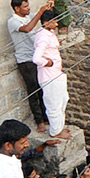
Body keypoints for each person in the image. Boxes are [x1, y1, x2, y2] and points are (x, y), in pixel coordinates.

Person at [7, 0, 51, 133]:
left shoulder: (28, 16)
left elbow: (40, 18)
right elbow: (27, 28)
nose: (28, 8)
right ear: (17, 8)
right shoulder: (13, 21)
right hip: (25, 60)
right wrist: (40, 12)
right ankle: (39, 122)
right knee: (33, 91)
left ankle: (46, 117)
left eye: (28, 5)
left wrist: (48, 7)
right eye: (25, 6)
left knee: (42, 88)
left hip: (35, 57)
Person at [33, 8, 71, 139]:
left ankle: (59, 126)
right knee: (53, 104)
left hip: (57, 74)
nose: (56, 25)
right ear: (46, 22)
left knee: (63, 100)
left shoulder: (49, 33)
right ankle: (55, 131)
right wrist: (47, 63)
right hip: (49, 76)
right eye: (54, 22)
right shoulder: (42, 36)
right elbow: (36, 58)